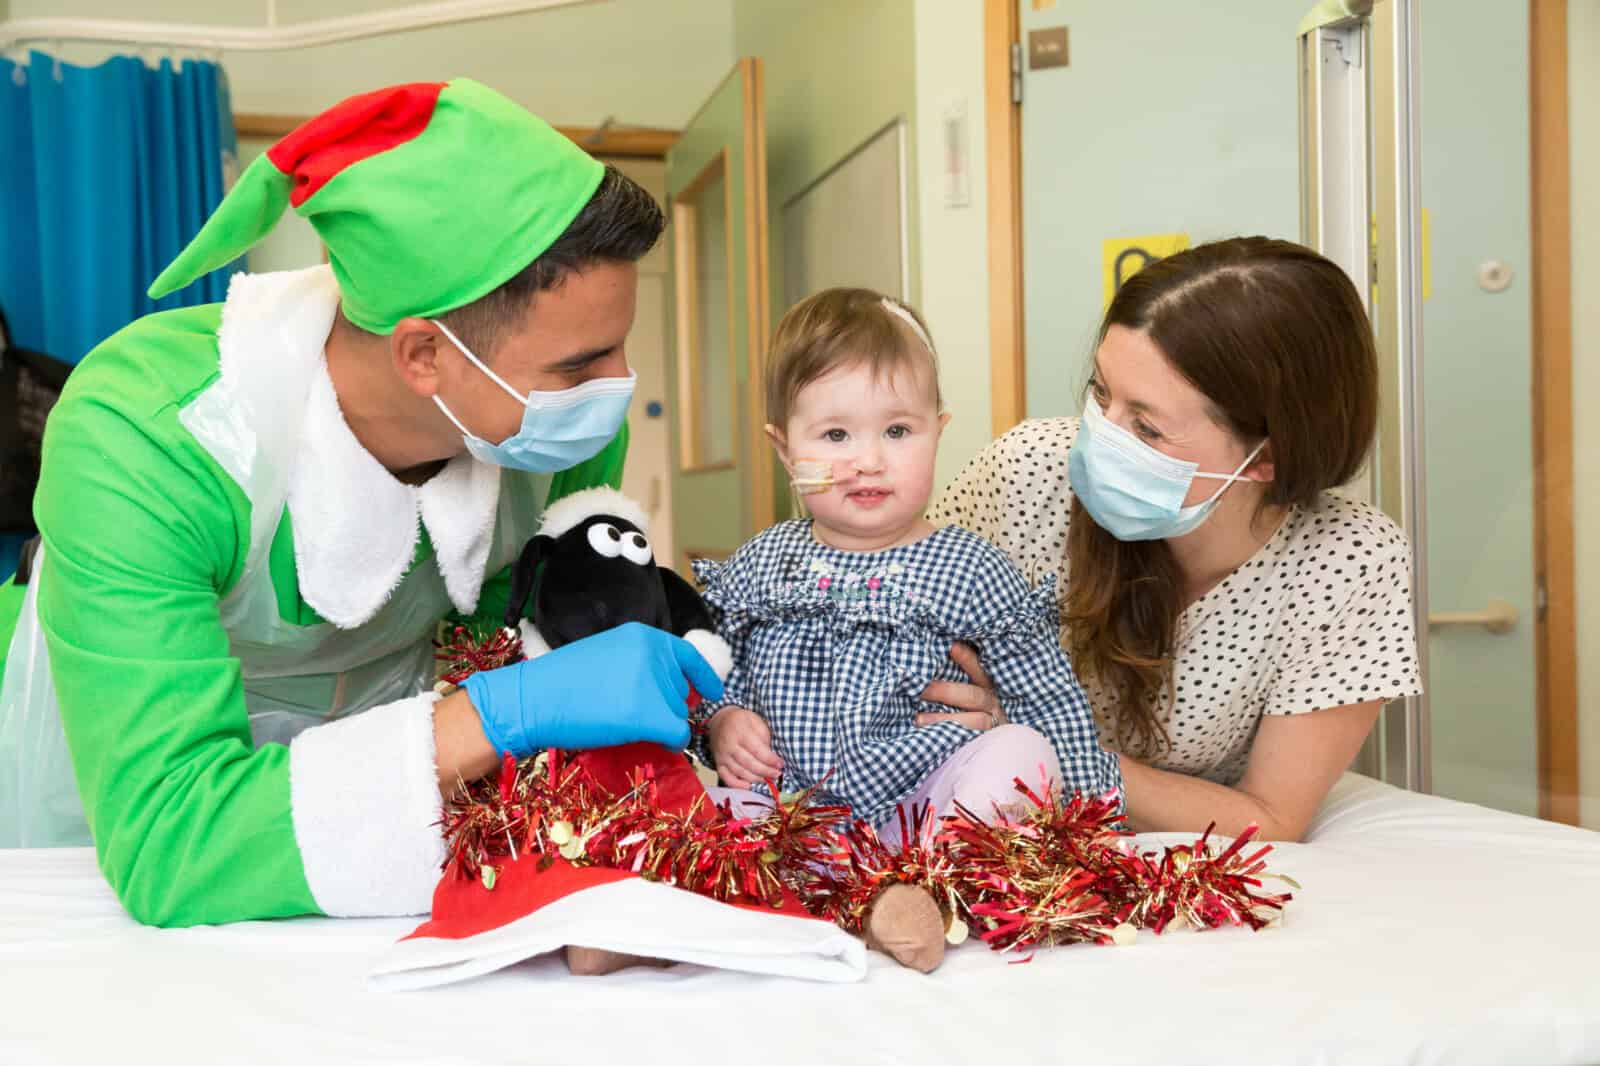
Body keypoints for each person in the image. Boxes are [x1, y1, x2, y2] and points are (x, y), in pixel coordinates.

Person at [0, 79, 723, 926]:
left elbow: (486, 649)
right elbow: (172, 841)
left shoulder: (562, 434)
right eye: (579, 365)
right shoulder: (151, 434)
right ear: (423, 355)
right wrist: (507, 713)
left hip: (399, 797)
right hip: (106, 794)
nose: (619, 388)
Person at [928, 237, 1422, 842]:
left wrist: (1036, 738)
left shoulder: (1348, 558)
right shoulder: (1028, 471)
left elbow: (1269, 820)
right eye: (1101, 393)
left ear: (1269, 457)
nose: (1099, 439)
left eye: (1148, 427)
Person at [694, 287, 1120, 840]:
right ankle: (812, 882)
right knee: (704, 807)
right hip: (787, 812)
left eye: (897, 432)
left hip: (928, 805)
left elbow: (1048, 700)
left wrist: (1091, 824)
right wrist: (722, 722)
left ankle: (938, 875)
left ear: (937, 431)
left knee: (1023, 750)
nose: (868, 462)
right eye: (835, 434)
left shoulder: (972, 568)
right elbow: (703, 675)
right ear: (784, 449)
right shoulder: (761, 565)